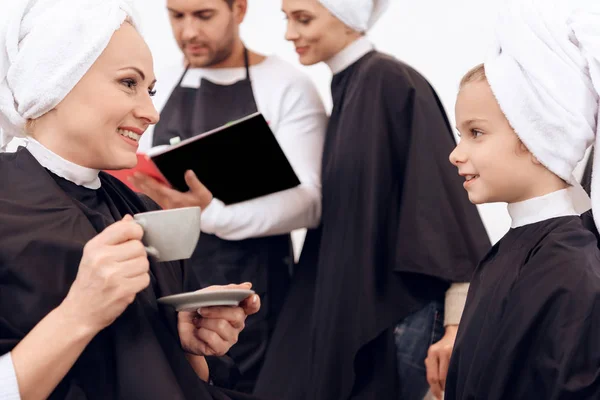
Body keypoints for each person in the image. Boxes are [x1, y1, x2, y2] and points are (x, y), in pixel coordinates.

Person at [0, 1, 263, 399]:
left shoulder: (143, 211)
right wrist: (79, 314)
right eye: (129, 83)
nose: (151, 112)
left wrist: (188, 348)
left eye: (151, 90)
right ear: (56, 79)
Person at [254, 1, 491, 399]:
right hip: (372, 320)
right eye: (287, 18)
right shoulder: (352, 84)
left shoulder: (389, 82)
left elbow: (444, 212)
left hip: (397, 322)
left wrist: (455, 326)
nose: (289, 33)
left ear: (348, 16)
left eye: (304, 18)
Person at [131, 0, 326, 391]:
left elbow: (311, 202)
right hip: (170, 290)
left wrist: (208, 213)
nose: (188, 32)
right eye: (176, 15)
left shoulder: (287, 85)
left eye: (204, 16)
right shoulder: (160, 82)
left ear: (239, 10)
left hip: (256, 293)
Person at [445, 0, 600, 398]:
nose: (456, 153)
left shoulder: (571, 268)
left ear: (537, 138)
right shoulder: (515, 249)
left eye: (475, 133)